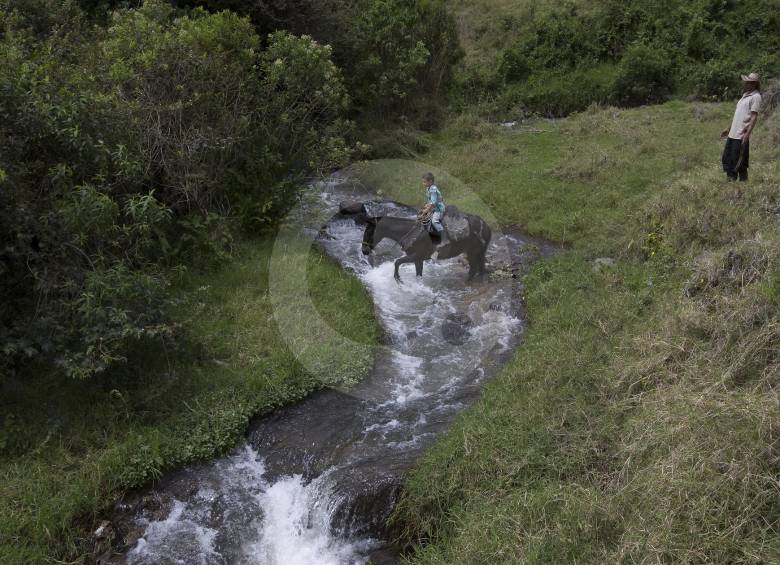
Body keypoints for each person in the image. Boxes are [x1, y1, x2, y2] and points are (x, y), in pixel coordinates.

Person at [721, 72, 763, 182]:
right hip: (733, 133)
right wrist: (729, 128)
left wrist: (747, 134)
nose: (746, 84)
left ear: (754, 84)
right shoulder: (744, 96)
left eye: (749, 82)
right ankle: (730, 180)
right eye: (746, 82)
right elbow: (738, 115)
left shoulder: (756, 97)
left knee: (739, 160)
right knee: (727, 157)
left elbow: (754, 117)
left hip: (741, 134)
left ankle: (743, 183)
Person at [421, 172, 445, 240]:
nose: (423, 184)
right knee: (424, 217)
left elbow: (433, 203)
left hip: (438, 209)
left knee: (434, 221)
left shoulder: (433, 190)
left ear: (430, 181)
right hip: (433, 207)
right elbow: (430, 200)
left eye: (424, 182)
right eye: (423, 182)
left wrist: (426, 210)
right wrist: (427, 205)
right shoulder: (428, 188)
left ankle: (443, 235)